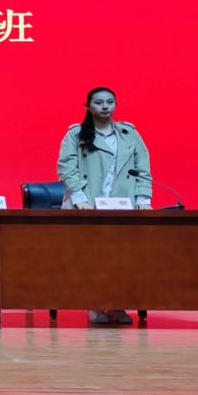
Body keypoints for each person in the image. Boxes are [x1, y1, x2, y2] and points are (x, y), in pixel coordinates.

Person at [57, 86, 152, 325]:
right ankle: (95, 304)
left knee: (122, 258)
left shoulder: (129, 133)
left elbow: (143, 168)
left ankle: (118, 305)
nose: (105, 106)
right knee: (93, 257)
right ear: (88, 107)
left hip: (122, 203)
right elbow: (66, 167)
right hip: (88, 203)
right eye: (99, 102)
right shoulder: (76, 134)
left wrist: (143, 200)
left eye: (110, 102)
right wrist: (78, 197)